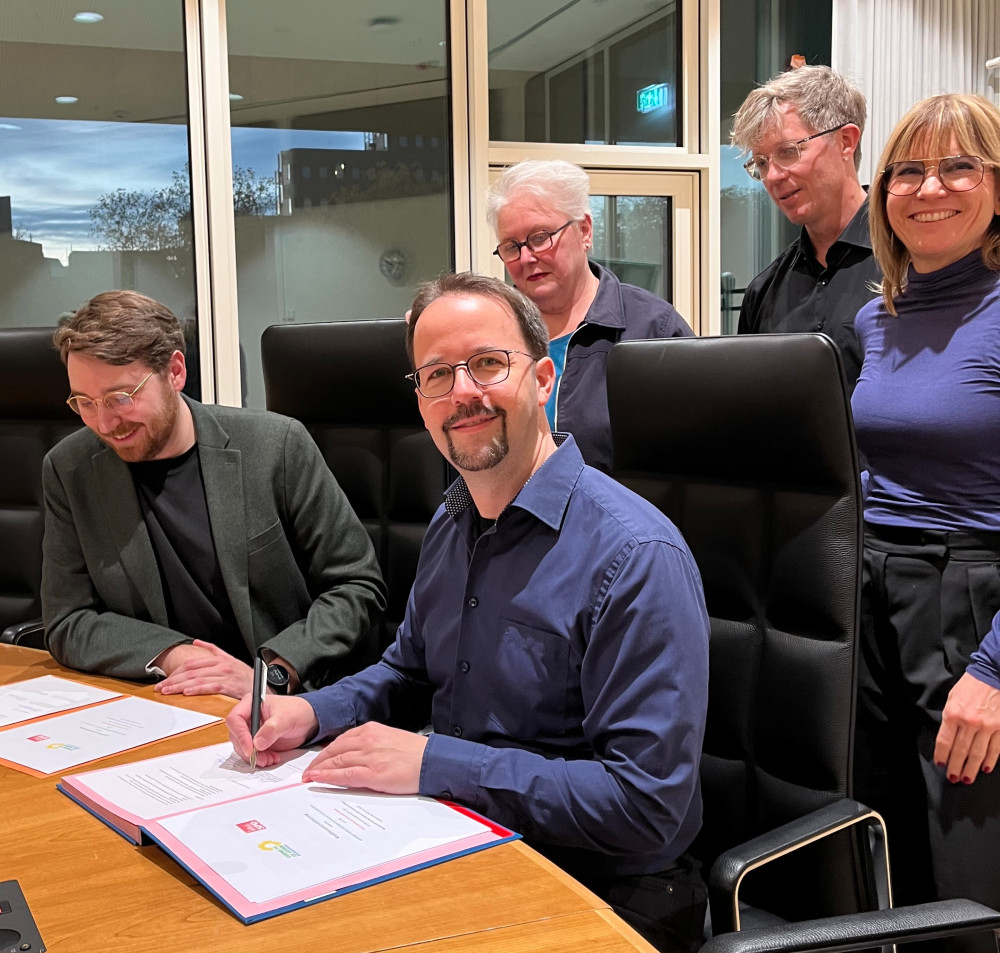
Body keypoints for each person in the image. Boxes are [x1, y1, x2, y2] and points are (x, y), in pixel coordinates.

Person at [228, 273, 710, 953]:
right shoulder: (453, 520)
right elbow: (408, 670)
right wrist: (310, 711)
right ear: (421, 401)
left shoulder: (635, 555)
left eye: (487, 363)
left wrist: (435, 762)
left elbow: (644, 804)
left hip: (607, 892)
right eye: (437, 374)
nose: (462, 392)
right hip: (462, 840)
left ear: (543, 379)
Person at [41, 290, 386, 697]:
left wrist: (270, 676)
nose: (103, 423)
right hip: (160, 700)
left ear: (175, 372)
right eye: (84, 402)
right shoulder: (70, 468)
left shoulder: (275, 446)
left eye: (120, 398)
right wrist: (174, 655)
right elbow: (68, 620)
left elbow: (356, 587)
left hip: (286, 702)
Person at [852, 93, 1000, 942]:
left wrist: (996, 669)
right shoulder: (880, 314)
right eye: (906, 170)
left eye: (959, 166)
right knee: (893, 855)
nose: (928, 187)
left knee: (970, 878)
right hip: (876, 595)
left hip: (972, 604)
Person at [486, 159, 692, 473]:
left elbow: (689, 463)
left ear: (584, 230)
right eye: (511, 247)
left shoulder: (653, 329)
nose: (526, 257)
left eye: (540, 237)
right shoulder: (489, 330)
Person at [731, 65, 879, 393]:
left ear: (845, 141)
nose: (772, 176)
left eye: (788, 152)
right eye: (762, 163)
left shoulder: (911, 265)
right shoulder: (763, 291)